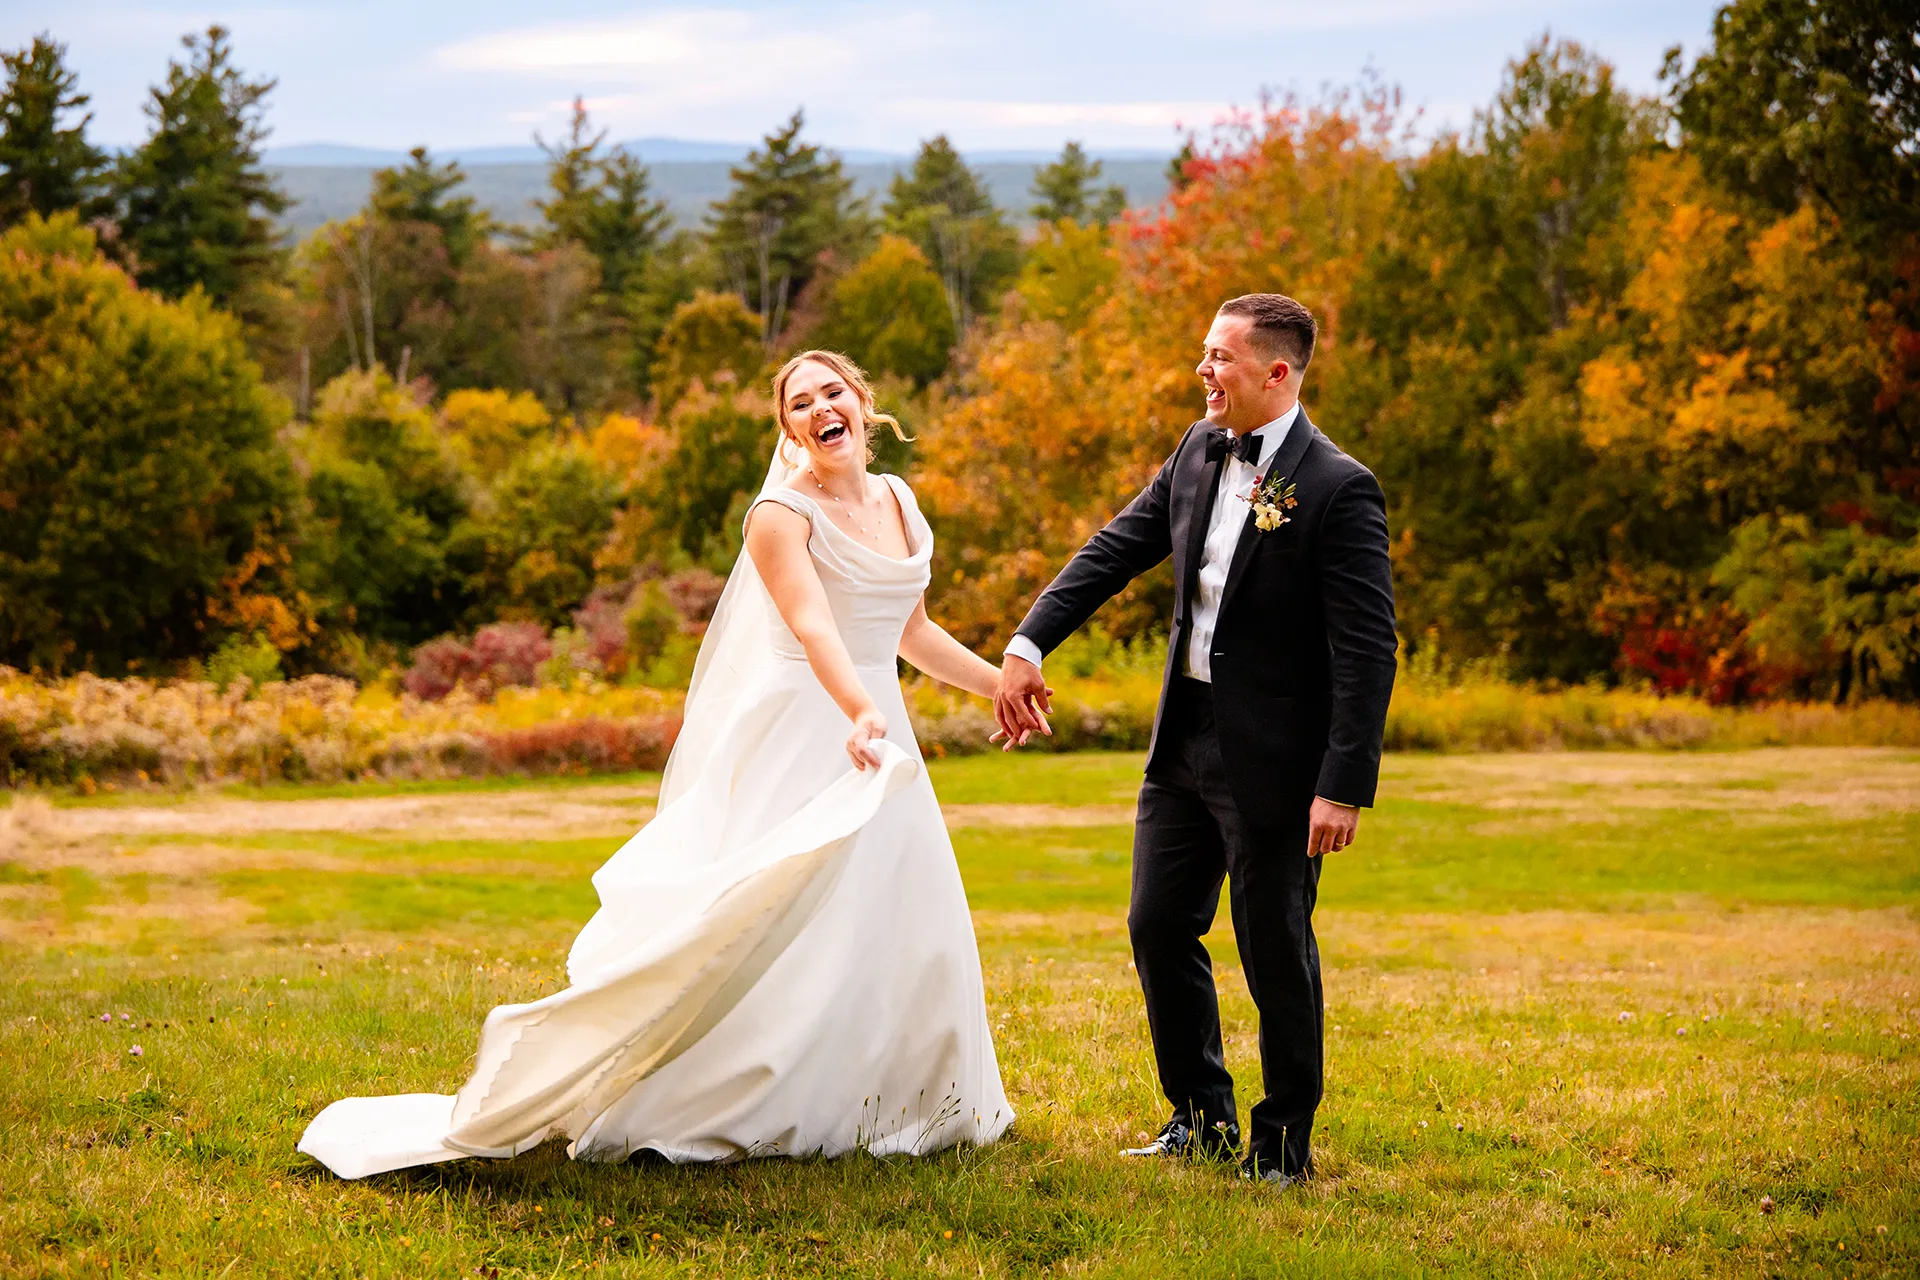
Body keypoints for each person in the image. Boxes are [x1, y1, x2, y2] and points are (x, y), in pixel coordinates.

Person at [298, 352, 1012, 1179]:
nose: (822, 407)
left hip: (876, 731)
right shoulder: (778, 516)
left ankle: (903, 1096)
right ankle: (735, 1092)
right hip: (807, 727)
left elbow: (911, 631)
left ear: (862, 401)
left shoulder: (899, 501)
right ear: (790, 430)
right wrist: (860, 713)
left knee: (895, 908)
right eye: (800, 402)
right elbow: (817, 627)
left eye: (833, 392)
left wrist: (999, 686)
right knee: (762, 918)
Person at [994, 293, 1397, 1187]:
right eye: (1205, 354)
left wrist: (1343, 783)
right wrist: (1029, 641)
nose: (1203, 371)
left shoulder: (1337, 487)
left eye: (1220, 357)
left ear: (1276, 373)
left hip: (1279, 763)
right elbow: (1114, 548)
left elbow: (1370, 651)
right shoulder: (1195, 449)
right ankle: (1201, 1118)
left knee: (1272, 943)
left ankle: (1283, 1145)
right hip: (1184, 737)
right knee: (1155, 925)